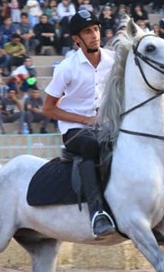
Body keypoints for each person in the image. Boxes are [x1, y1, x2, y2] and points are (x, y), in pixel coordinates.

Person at [42, 10, 116, 237]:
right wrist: (85, 120)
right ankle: (97, 213)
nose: (94, 35)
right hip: (74, 131)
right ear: (77, 39)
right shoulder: (66, 68)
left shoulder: (113, 61)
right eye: (87, 31)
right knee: (92, 145)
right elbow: (48, 108)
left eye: (96, 29)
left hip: (106, 125)